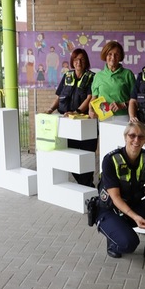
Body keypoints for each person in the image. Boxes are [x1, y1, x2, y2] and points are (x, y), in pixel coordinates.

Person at [95, 122, 145, 266]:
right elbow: (115, 198)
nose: (136, 140)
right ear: (125, 137)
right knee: (129, 244)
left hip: (133, 207)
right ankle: (113, 241)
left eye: (141, 137)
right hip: (110, 211)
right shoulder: (110, 160)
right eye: (132, 135)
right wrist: (136, 217)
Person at [45, 48, 97, 187]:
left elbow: (90, 98)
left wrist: (76, 112)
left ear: (86, 61)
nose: (79, 62)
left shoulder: (92, 77)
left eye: (82, 59)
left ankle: (87, 185)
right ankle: (85, 185)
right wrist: (50, 109)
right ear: (72, 62)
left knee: (86, 156)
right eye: (76, 60)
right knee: (72, 156)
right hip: (67, 123)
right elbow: (59, 96)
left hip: (85, 124)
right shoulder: (67, 75)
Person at [89, 41, 134, 118]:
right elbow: (94, 98)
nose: (113, 57)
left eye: (116, 54)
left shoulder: (128, 74)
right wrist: (90, 110)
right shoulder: (98, 76)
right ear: (105, 55)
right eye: (110, 54)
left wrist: (122, 105)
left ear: (120, 57)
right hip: (103, 117)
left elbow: (135, 99)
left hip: (123, 117)